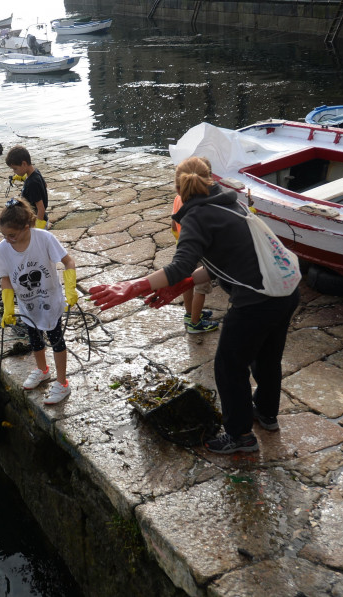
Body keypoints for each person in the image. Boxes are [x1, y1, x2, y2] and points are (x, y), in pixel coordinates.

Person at [89, 156, 300, 454]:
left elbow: (179, 266)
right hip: (286, 289)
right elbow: (219, 262)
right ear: (210, 179)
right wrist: (184, 285)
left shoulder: (196, 217)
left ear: (178, 188)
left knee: (228, 365)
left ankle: (240, 436)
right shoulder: (230, 204)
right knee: (266, 358)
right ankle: (265, 413)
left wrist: (131, 286)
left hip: (256, 299)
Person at [0, 198, 78, 405]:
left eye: (12, 235)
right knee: (35, 339)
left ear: (25, 227)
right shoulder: (2, 249)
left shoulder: (44, 238)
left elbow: (68, 261)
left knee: (56, 340)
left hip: (50, 299)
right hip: (27, 304)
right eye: (4, 235)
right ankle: (42, 370)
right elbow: (5, 280)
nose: (7, 239)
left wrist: (70, 289)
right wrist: (7, 308)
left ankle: (62, 382)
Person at [171, 158, 218, 334]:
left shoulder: (178, 198)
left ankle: (190, 314)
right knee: (201, 287)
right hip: (200, 253)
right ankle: (195, 323)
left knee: (187, 283)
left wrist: (178, 240)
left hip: (182, 247)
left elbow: (173, 224)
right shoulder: (205, 205)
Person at [5, 145, 49, 229]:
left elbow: (41, 209)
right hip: (38, 219)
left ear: (24, 164)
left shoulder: (32, 183)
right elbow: (45, 185)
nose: (14, 172)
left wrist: (38, 229)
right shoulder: (35, 172)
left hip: (37, 221)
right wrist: (19, 178)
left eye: (15, 169)